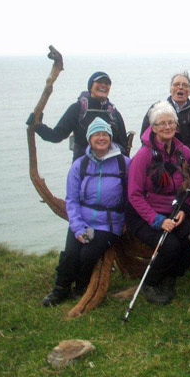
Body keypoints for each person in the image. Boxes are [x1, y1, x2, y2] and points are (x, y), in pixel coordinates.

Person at [42, 117, 130, 306]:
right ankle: (61, 288)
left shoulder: (124, 164)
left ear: (111, 138)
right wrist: (77, 226)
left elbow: (131, 196)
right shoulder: (79, 165)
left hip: (108, 222)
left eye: (105, 134)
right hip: (84, 221)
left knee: (88, 254)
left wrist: (125, 222)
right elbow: (71, 200)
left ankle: (81, 287)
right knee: (71, 253)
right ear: (89, 139)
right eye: (97, 134)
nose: (101, 138)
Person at [127, 101, 190, 305]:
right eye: (161, 123)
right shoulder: (143, 156)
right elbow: (134, 194)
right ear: (153, 128)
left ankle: (171, 276)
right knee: (170, 245)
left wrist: (184, 209)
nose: (167, 127)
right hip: (144, 215)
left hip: (175, 211)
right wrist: (157, 220)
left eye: (171, 123)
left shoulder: (184, 152)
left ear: (176, 125)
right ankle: (151, 282)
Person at [28, 71, 128, 162]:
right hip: (83, 170)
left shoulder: (112, 112)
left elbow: (123, 144)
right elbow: (56, 136)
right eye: (99, 82)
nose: (103, 85)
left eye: (107, 83)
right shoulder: (78, 109)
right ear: (90, 87)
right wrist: (38, 126)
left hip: (112, 170)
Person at [140, 71, 190, 158]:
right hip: (158, 160)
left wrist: (182, 153)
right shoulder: (156, 109)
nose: (180, 87)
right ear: (170, 89)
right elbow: (145, 135)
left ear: (189, 91)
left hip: (186, 163)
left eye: (184, 85)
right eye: (176, 84)